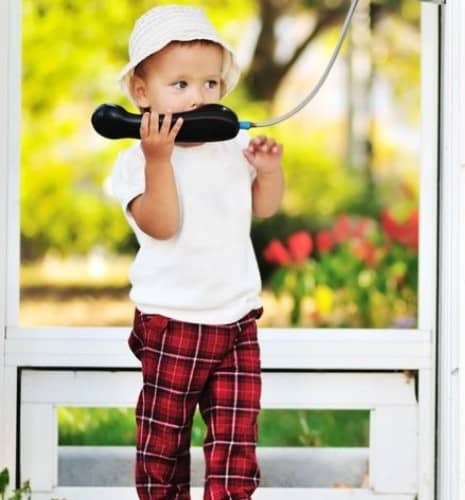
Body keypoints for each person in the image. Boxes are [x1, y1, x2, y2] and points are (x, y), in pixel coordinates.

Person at [108, 5, 284, 499]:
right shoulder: (134, 162)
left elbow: (263, 208)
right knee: (164, 441)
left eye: (210, 84)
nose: (198, 96)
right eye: (180, 85)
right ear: (142, 94)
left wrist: (268, 172)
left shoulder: (231, 149)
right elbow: (161, 226)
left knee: (236, 443)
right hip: (172, 321)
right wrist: (157, 158)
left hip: (235, 320)